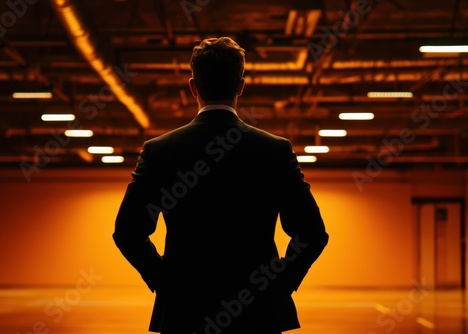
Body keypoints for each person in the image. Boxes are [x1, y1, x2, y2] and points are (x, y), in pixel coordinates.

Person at [113, 36, 329, 334]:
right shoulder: (274, 150)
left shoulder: (160, 150)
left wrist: (165, 282)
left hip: (184, 313)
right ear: (241, 86)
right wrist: (279, 286)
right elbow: (313, 233)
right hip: (259, 314)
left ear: (192, 86)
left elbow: (127, 232)